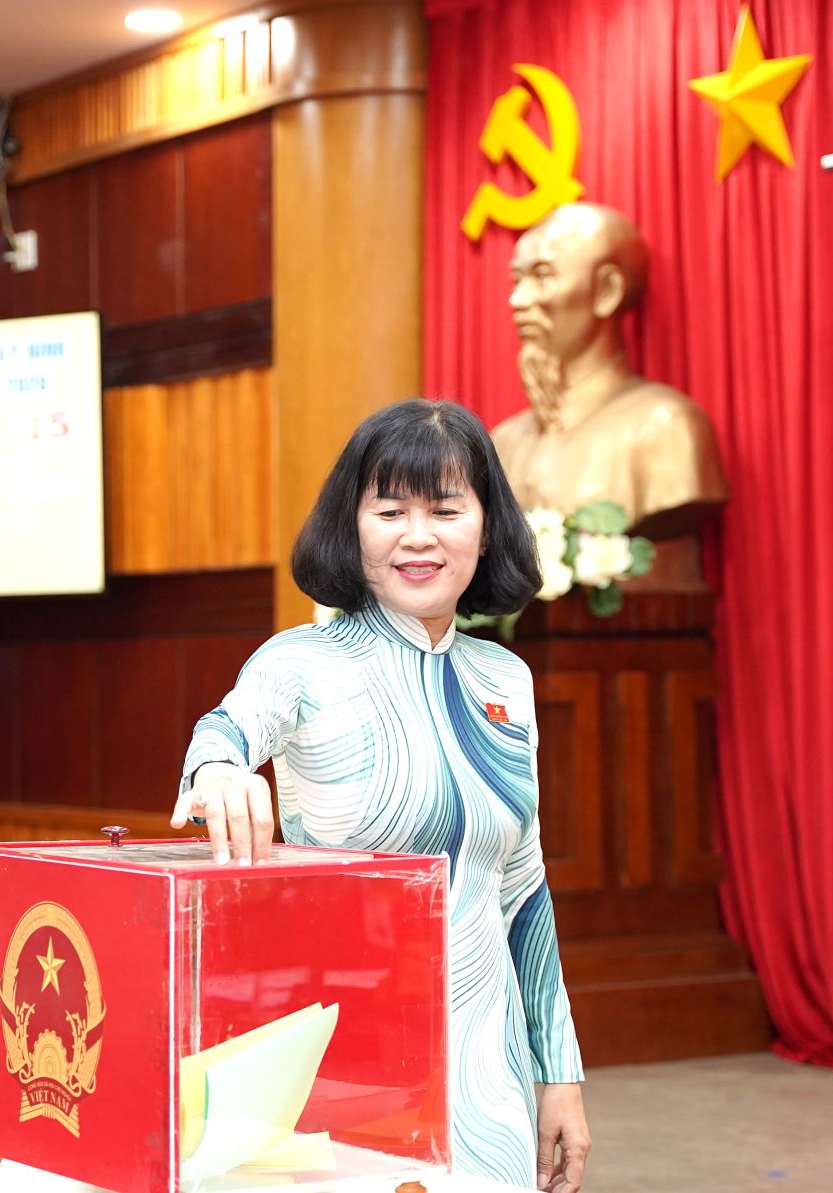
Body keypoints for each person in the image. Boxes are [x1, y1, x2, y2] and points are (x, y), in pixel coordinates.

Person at [169, 398, 590, 1193]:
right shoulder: (299, 662)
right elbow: (226, 729)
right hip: (340, 1068)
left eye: (446, 510)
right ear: (351, 527)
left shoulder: (506, 679)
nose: (418, 536)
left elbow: (523, 893)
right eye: (390, 511)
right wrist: (219, 771)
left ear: (486, 529)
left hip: (487, 1075)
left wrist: (558, 1072)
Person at [491, 201, 728, 591]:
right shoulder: (503, 443)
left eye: (543, 276)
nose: (518, 300)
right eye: (517, 279)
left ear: (607, 291)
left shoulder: (666, 428)